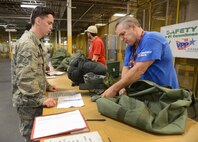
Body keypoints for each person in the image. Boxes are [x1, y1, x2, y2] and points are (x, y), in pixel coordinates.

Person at [101, 16, 179, 97]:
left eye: (123, 34)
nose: (121, 39)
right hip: (147, 92)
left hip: (164, 93)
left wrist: (114, 88)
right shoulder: (130, 47)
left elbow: (139, 70)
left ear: (133, 27)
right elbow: (126, 67)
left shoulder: (152, 39)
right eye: (119, 36)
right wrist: (122, 87)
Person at [11, 6, 57, 142]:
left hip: (34, 98)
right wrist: (41, 99)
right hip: (28, 102)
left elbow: (37, 71)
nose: (51, 27)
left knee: (39, 135)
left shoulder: (37, 43)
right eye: (49, 23)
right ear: (38, 21)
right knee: (32, 136)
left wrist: (47, 86)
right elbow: (25, 79)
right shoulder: (28, 44)